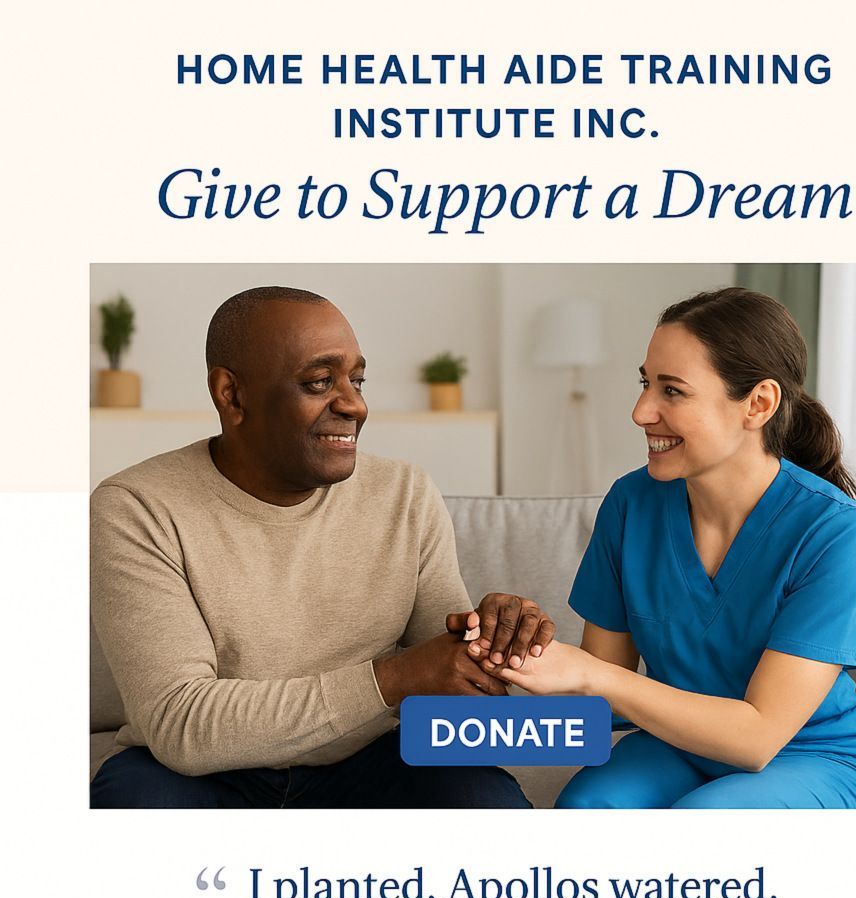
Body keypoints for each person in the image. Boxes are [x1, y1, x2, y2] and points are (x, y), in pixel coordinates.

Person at [90, 286, 554, 809]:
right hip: (200, 775)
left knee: (484, 800)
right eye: (319, 382)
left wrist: (493, 643)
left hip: (372, 759)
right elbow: (181, 724)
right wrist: (391, 679)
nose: (355, 405)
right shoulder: (137, 506)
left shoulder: (404, 494)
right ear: (231, 395)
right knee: (137, 805)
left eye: (357, 380)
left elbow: (452, 688)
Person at [479, 287, 856, 809]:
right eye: (646, 383)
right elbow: (597, 704)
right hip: (679, 745)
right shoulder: (631, 504)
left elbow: (756, 739)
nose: (641, 411)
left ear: (758, 404)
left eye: (672, 391)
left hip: (813, 756)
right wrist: (508, 657)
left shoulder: (833, 531)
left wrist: (591, 674)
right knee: (587, 809)